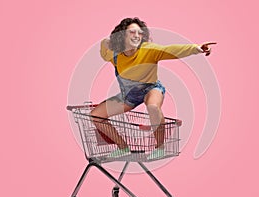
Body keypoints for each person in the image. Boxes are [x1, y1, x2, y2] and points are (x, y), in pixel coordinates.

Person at [91, 17, 216, 159]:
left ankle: (160, 148)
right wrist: (108, 41)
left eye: (140, 33)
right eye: (132, 32)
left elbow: (171, 50)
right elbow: (104, 49)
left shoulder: (149, 50)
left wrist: (196, 48)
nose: (137, 36)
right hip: (129, 95)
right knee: (96, 115)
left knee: (153, 107)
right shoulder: (115, 56)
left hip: (151, 89)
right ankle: (123, 147)